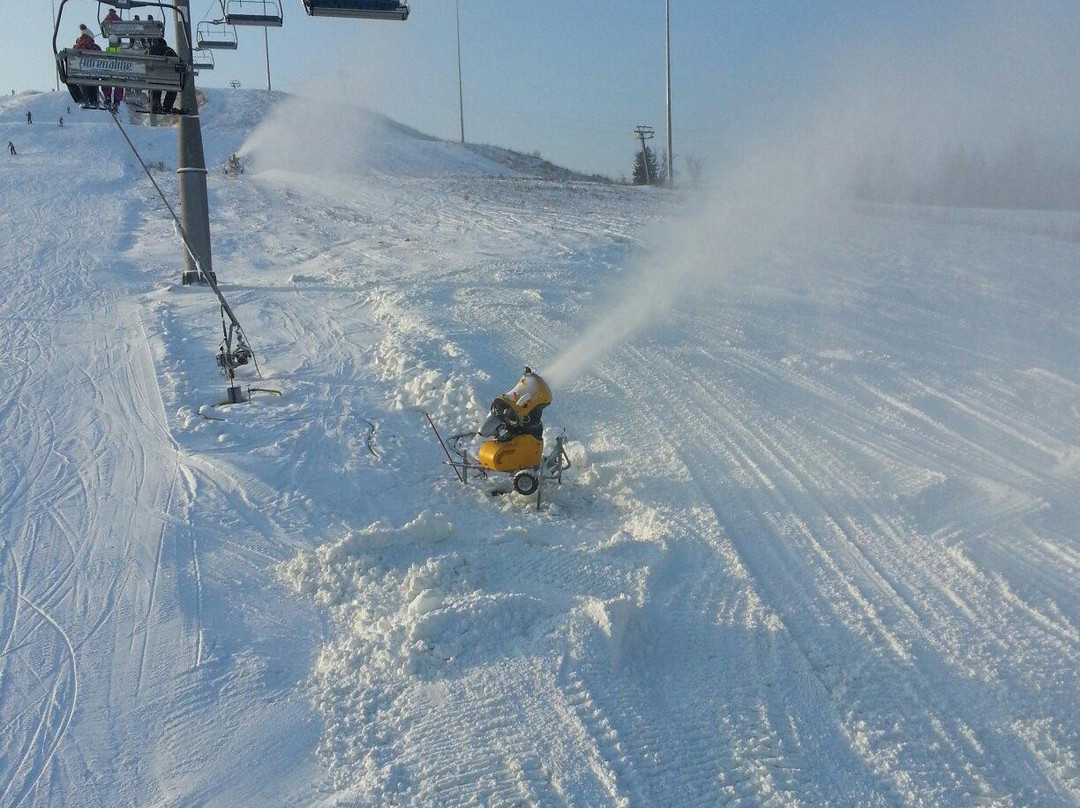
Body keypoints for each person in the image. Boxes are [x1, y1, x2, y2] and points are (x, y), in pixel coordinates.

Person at [68, 25, 102, 109]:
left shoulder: (76, 47)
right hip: (93, 74)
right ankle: (94, 100)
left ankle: (81, 99)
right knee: (93, 75)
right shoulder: (96, 48)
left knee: (74, 78)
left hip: (79, 73)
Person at [147, 35, 181, 114]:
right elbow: (177, 62)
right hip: (166, 78)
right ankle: (167, 106)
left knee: (154, 86)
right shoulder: (169, 50)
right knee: (173, 88)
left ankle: (155, 104)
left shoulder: (149, 50)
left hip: (151, 77)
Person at [103, 35, 125, 109]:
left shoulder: (106, 51)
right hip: (119, 77)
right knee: (120, 84)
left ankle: (107, 97)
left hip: (108, 76)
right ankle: (116, 100)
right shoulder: (122, 52)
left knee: (105, 80)